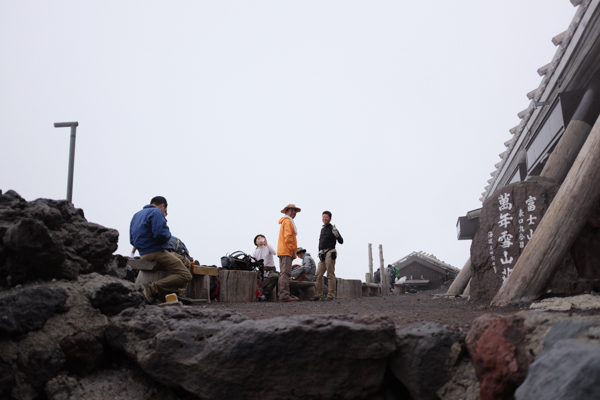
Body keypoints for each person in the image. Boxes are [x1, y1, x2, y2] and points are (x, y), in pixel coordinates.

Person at [130, 196, 192, 304]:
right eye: (165, 211)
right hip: (156, 252)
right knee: (185, 275)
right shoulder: (156, 212)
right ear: (163, 206)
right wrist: (168, 235)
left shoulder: (136, 215)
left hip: (143, 253)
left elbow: (132, 240)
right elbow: (160, 234)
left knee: (184, 261)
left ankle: (177, 294)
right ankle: (151, 288)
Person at [314, 210, 344, 301]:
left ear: (330, 219)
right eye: (323, 217)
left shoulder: (333, 228)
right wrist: (319, 252)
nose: (324, 219)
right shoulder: (322, 229)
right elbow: (320, 242)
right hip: (322, 253)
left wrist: (337, 235)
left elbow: (341, 241)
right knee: (318, 274)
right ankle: (319, 295)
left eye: (326, 217)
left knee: (330, 274)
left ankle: (331, 295)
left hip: (330, 251)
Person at [277, 204, 301, 302]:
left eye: (294, 211)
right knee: (286, 273)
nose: (293, 212)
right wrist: (292, 249)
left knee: (283, 273)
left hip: (283, 250)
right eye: (291, 210)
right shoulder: (287, 221)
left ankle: (282, 294)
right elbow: (288, 237)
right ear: (286, 212)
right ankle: (284, 295)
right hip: (286, 251)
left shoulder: (285, 221)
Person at [252, 234, 279, 300]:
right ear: (256, 242)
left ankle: (265, 294)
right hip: (261, 269)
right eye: (258, 238)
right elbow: (253, 262)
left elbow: (274, 253)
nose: (260, 240)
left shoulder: (268, 247)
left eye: (262, 238)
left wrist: (267, 244)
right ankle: (255, 294)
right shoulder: (255, 252)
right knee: (252, 277)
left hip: (270, 269)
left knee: (275, 277)